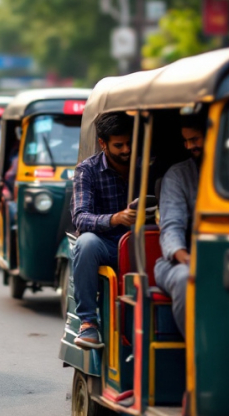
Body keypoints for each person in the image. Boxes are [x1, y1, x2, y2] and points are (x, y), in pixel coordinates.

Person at [70, 112, 135, 349]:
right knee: (85, 242)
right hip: (106, 245)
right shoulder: (87, 170)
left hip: (141, 244)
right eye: (119, 145)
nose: (126, 150)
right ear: (102, 143)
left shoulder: (146, 164)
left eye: (130, 143)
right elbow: (81, 218)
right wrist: (116, 219)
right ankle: (88, 323)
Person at [155, 115, 206, 339]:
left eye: (195, 139)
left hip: (227, 260)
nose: (190, 147)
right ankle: (200, 356)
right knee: (186, 278)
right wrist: (187, 259)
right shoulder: (178, 175)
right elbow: (171, 226)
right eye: (186, 141)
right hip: (179, 262)